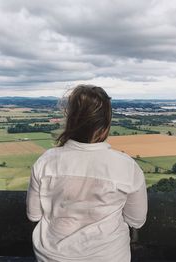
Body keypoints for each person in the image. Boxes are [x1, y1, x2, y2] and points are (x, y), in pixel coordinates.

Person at [26, 84, 148, 262]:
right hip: (109, 256)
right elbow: (136, 220)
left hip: (52, 257)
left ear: (71, 119)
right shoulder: (127, 166)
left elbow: (33, 214)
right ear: (106, 123)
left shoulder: (46, 162)